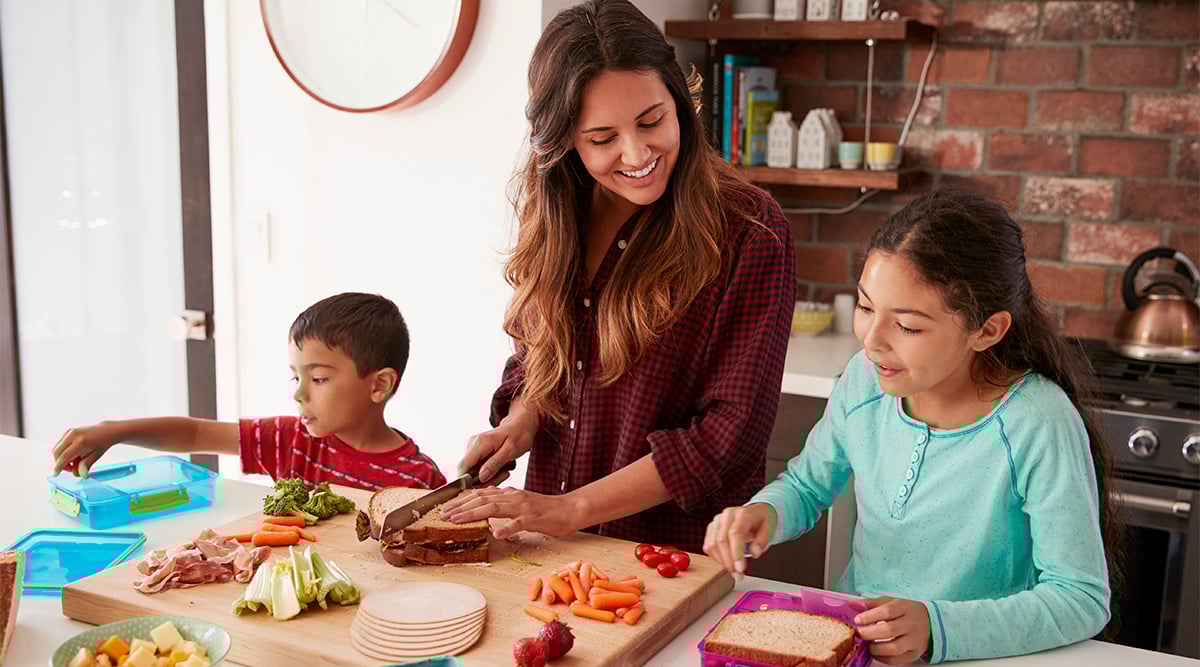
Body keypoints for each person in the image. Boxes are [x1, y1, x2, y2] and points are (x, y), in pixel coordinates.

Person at [703, 189, 1121, 665]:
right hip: (861, 650)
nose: (873, 340)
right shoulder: (864, 379)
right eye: (865, 307)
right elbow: (807, 484)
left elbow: (1080, 598)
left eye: (907, 326)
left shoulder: (1037, 422)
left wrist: (937, 628)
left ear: (987, 330)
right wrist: (766, 513)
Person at [440, 0, 796, 555]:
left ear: (679, 101)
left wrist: (572, 508)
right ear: (565, 141)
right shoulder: (556, 214)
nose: (637, 153)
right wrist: (521, 419)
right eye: (603, 138)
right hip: (548, 549)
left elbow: (729, 434)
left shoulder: (749, 230)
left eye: (652, 121)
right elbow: (541, 355)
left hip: (671, 560)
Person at [51, 292, 447, 492]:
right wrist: (114, 431)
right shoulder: (292, 441)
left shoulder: (418, 480)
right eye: (296, 378)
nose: (299, 395)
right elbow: (196, 434)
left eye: (319, 379)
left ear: (379, 384)